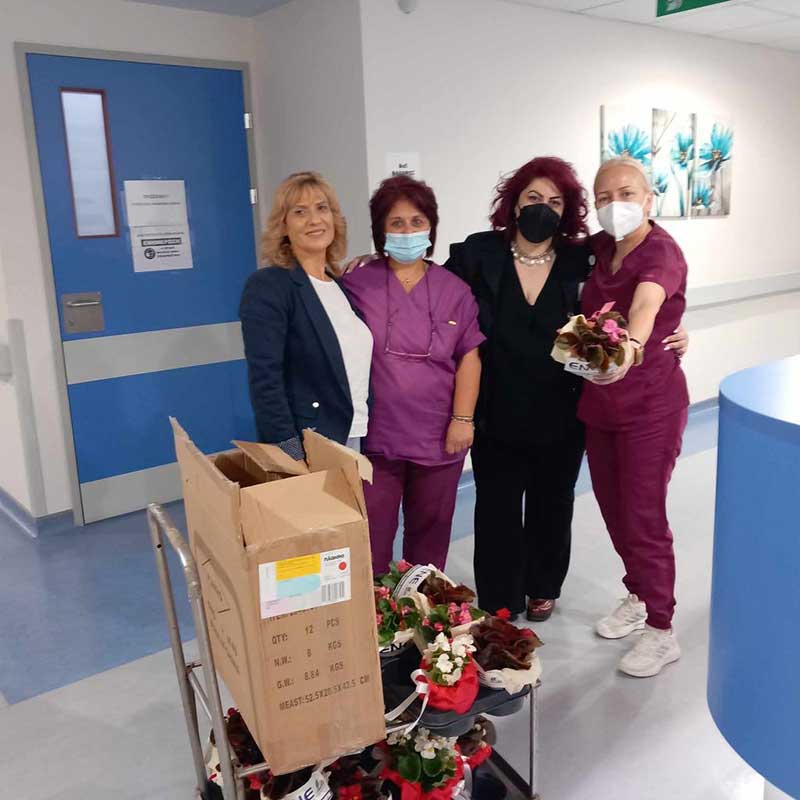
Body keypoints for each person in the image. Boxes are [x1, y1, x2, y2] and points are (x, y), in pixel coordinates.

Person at [444, 157, 689, 622]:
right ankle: (499, 594)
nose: (543, 208)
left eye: (555, 202)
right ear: (514, 202)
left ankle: (543, 586)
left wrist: (663, 333)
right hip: (496, 405)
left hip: (564, 406)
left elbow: (646, 295)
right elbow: (430, 288)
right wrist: (376, 264)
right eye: (533, 198)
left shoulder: (580, 256)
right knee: (495, 505)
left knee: (552, 504)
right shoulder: (480, 253)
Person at [581, 156, 689, 678]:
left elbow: (646, 304)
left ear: (648, 199)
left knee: (644, 517)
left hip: (650, 406)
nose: (614, 205)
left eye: (626, 194)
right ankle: (640, 595)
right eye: (603, 197)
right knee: (614, 511)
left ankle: (662, 630)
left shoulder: (661, 251)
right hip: (600, 405)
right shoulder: (601, 247)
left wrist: (629, 350)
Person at [342, 176, 484, 574]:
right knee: (371, 539)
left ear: (431, 227)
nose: (408, 232)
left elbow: (469, 356)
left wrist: (463, 419)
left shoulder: (454, 289)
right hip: (375, 438)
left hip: (438, 436)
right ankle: (375, 610)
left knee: (430, 539)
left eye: (417, 222)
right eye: (397, 223)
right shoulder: (356, 284)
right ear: (380, 230)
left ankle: (421, 608)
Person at [239, 171, 373, 457]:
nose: (314, 220)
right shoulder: (270, 285)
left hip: (353, 433)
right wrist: (290, 452)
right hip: (308, 442)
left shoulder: (339, 285)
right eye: (300, 212)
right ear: (283, 226)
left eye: (322, 208)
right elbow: (265, 380)